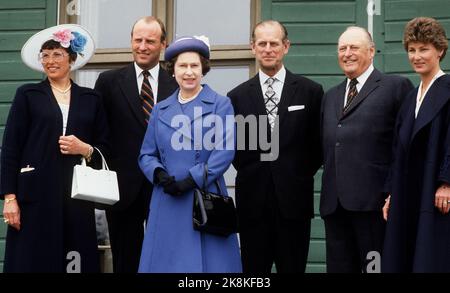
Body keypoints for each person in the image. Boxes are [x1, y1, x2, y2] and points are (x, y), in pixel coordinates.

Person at [0, 24, 109, 272]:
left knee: (75, 261)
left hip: (76, 198)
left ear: (71, 59)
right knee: (32, 262)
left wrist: (85, 148)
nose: (50, 61)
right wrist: (10, 197)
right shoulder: (28, 95)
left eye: (57, 54)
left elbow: (104, 146)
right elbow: (10, 148)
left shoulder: (92, 99)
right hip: (33, 196)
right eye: (45, 55)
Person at [138, 36, 242, 273]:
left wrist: (192, 179)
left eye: (194, 66)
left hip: (204, 195)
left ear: (203, 69)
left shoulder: (220, 104)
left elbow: (224, 150)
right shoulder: (160, 109)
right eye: (182, 66)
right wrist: (159, 174)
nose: (188, 72)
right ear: (172, 70)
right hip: (167, 198)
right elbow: (146, 154)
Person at [227, 20, 323, 273]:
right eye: (262, 43)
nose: (268, 49)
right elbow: (236, 151)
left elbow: (317, 147)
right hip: (252, 206)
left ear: (286, 46)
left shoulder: (310, 92)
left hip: (294, 205)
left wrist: (294, 173)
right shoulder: (236, 97)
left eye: (274, 43)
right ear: (253, 47)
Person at [320, 26, 414, 273]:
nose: (347, 53)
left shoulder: (395, 87)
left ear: (371, 51)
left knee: (377, 269)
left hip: (375, 207)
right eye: (342, 48)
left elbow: (405, 146)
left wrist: (395, 191)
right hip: (335, 207)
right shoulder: (330, 96)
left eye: (354, 47)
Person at [94, 16, 177, 273]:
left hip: (165, 187)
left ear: (163, 44)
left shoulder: (176, 84)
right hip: (122, 188)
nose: (142, 46)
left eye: (150, 41)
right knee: (125, 262)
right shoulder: (108, 82)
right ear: (131, 41)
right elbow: (100, 133)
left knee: (164, 260)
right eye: (138, 39)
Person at [382, 17, 450, 273]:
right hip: (406, 192)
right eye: (412, 49)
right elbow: (397, 150)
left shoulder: (448, 90)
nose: (417, 56)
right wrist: (391, 193)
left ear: (440, 50)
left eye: (424, 49)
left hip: (435, 193)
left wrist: (447, 183)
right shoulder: (411, 97)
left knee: (431, 257)